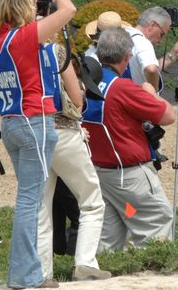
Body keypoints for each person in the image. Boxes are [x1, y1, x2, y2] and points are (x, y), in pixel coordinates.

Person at [0, 0, 76, 288]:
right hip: (33, 121)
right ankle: (27, 277)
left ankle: (23, 274)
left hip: (12, 122)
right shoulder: (26, 37)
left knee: (28, 200)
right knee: (30, 202)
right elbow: (69, 11)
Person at [81, 28, 176, 252]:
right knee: (156, 223)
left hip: (100, 170)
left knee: (107, 236)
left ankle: (99, 279)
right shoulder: (123, 87)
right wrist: (150, 92)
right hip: (130, 174)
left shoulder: (88, 82)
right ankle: (152, 278)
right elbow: (168, 116)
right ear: (127, 57)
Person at [36, 47, 111, 282]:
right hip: (63, 133)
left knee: (41, 207)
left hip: (34, 131)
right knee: (91, 201)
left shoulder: (18, 47)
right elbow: (76, 101)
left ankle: (42, 272)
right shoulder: (57, 52)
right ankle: (85, 263)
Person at [125, 6, 178, 93]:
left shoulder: (125, 33)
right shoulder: (143, 43)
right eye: (161, 34)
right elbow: (151, 69)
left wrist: (171, 55)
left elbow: (145, 67)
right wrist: (154, 95)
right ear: (152, 25)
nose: (160, 41)